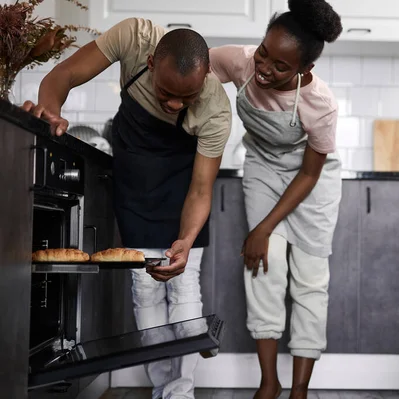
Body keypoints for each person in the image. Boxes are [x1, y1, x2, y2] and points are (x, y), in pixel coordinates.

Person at [21, 17, 232, 399]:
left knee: (184, 292)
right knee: (145, 290)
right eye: (167, 92)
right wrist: (50, 112)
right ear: (150, 63)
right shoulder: (134, 39)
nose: (174, 104)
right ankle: (162, 388)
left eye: (187, 97)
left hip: (183, 192)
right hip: (134, 185)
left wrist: (186, 238)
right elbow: (64, 74)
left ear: (205, 79)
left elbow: (201, 190)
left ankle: (180, 393)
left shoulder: (216, 111)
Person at [209, 0, 343, 397]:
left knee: (310, 283)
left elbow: (309, 172)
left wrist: (262, 227)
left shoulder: (319, 104)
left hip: (310, 182)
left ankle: (299, 389)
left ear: (306, 70)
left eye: (280, 66)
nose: (264, 69)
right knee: (263, 271)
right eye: (264, 54)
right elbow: (196, 70)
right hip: (263, 170)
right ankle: (269, 383)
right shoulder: (240, 61)